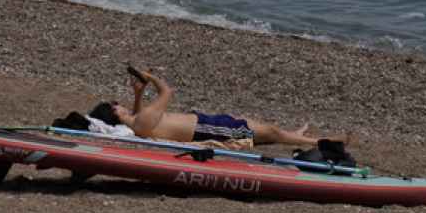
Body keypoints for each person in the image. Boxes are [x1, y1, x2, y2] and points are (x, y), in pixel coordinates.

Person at [88, 65, 338, 150]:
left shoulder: (139, 125)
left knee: (263, 134)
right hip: (210, 128)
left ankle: (296, 136)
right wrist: (149, 76)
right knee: (269, 131)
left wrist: (138, 93)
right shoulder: (141, 122)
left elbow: (142, 116)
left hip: (207, 126)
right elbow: (167, 92)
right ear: (115, 113)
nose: (121, 105)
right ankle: (317, 142)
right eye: (117, 105)